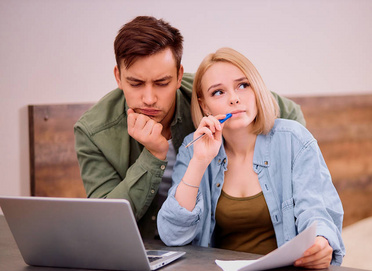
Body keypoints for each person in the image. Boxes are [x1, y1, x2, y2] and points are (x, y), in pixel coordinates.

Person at [74, 16, 306, 241]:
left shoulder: (208, 93)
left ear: (178, 76)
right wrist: (153, 156)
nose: (149, 98)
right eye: (135, 83)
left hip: (202, 246)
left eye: (162, 83)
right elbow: (106, 224)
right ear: (118, 77)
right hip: (138, 248)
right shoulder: (93, 131)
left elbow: (286, 111)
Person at [157, 47, 345, 268]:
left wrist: (320, 242)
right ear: (204, 104)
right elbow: (172, 234)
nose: (234, 99)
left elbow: (316, 212)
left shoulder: (294, 139)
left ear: (257, 89)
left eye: (243, 85)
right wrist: (199, 162)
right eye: (218, 92)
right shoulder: (193, 148)